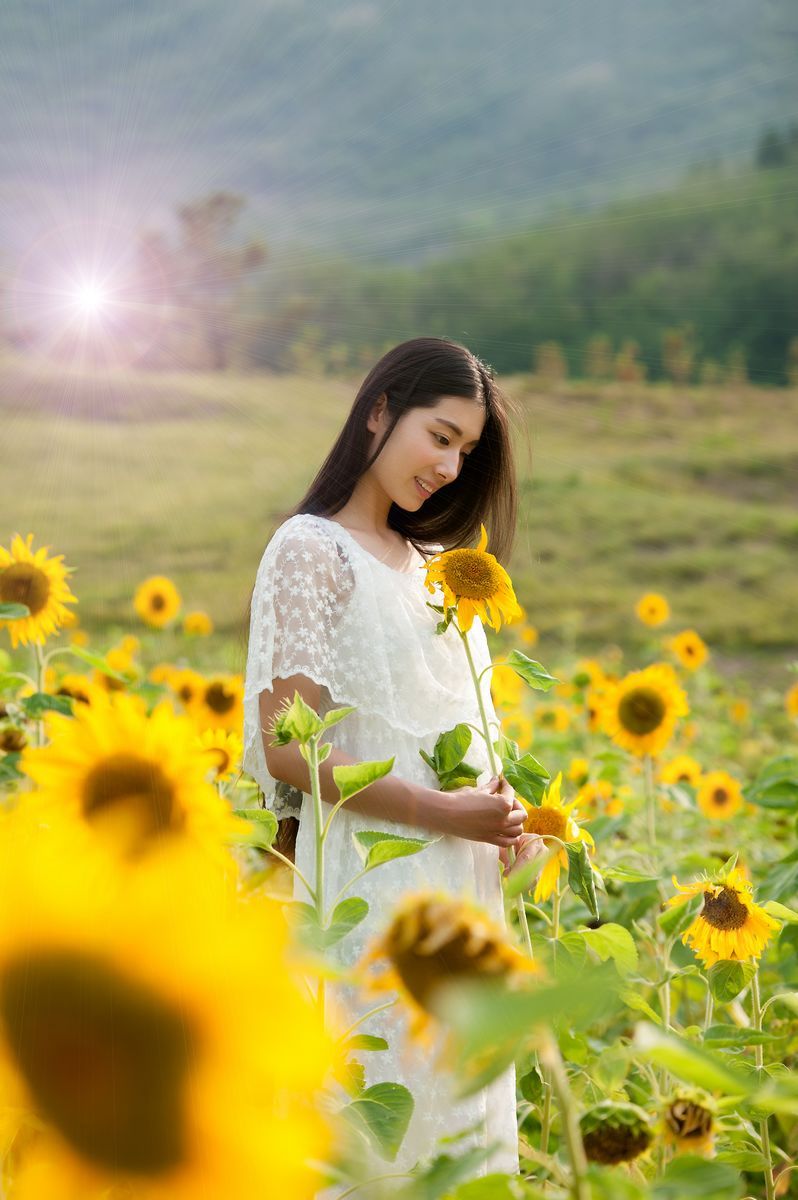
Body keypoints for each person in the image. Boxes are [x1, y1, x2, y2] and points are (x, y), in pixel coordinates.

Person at [243, 337, 543, 1185]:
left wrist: (505, 820)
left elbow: (455, 731)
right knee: (369, 1125)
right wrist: (447, 814)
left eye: (467, 451)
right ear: (379, 412)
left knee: (457, 1135)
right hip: (366, 886)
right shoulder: (313, 551)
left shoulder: (436, 570)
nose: (450, 466)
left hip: (459, 892)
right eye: (439, 436)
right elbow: (290, 748)